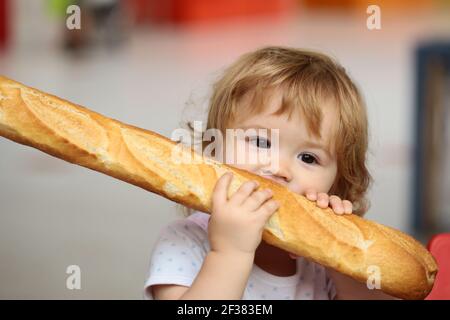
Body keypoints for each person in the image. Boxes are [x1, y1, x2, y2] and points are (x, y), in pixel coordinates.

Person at [143, 46, 395, 300]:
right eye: (261, 142)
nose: (279, 169)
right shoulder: (184, 242)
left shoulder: (321, 266)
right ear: (213, 150)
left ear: (337, 183)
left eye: (308, 158)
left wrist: (343, 260)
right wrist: (230, 253)